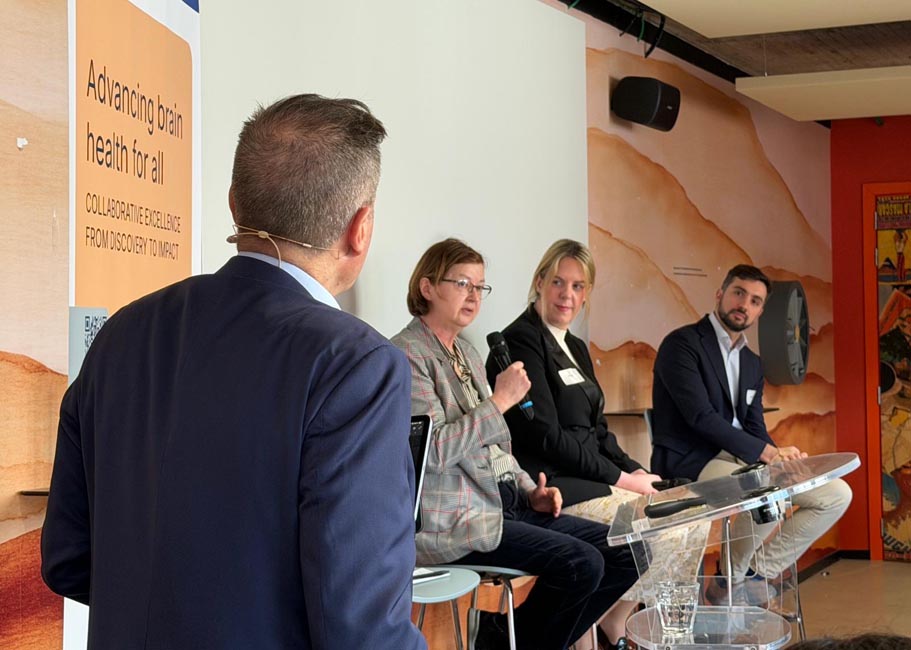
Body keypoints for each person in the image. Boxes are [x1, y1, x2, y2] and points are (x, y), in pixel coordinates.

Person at [41, 95, 426, 650]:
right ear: (360, 229)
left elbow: (69, 560)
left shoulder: (121, 333)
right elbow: (362, 629)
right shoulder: (357, 365)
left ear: (233, 202)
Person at [392, 239, 639, 650]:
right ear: (427, 287)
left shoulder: (467, 353)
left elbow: (498, 447)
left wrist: (532, 491)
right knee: (581, 564)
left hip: (504, 503)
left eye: (480, 287)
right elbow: (433, 453)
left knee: (626, 550)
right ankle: (505, 641)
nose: (473, 296)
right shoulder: (405, 355)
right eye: (462, 284)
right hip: (455, 521)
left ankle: (504, 637)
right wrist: (500, 402)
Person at [490, 239, 704, 648]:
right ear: (539, 283)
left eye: (577, 286)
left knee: (689, 519)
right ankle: (627, 629)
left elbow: (599, 431)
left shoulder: (574, 346)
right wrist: (623, 479)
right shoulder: (521, 340)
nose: (566, 295)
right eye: (558, 282)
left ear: (586, 293)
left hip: (599, 479)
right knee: (667, 532)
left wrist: (636, 469)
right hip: (556, 487)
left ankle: (618, 619)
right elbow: (546, 436)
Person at [651, 264, 852, 605]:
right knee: (765, 489)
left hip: (740, 461)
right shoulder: (681, 345)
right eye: (738, 293)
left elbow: (754, 424)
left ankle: (750, 576)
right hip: (690, 461)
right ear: (721, 293)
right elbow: (701, 417)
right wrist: (769, 457)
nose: (744, 304)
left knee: (836, 494)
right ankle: (733, 583)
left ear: (760, 310)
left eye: (755, 301)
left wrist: (780, 458)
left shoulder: (752, 363)